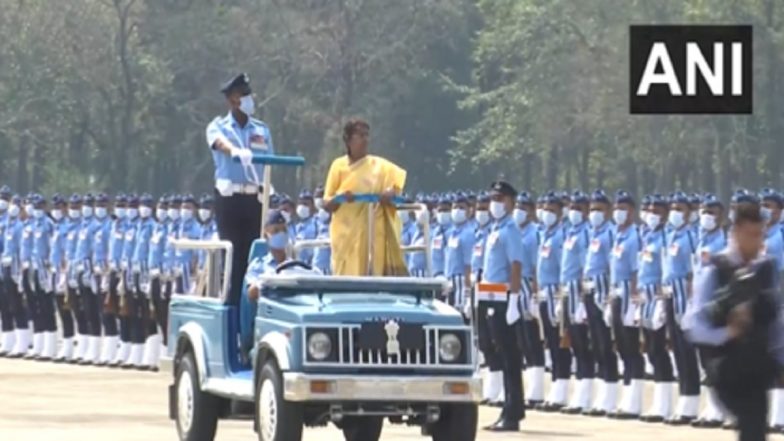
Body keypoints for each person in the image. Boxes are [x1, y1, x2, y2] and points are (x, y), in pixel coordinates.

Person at [685, 203, 784, 441]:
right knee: (751, 425)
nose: (758, 241)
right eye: (752, 235)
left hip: (757, 366)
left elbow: (776, 322)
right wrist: (728, 332)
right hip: (726, 367)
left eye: (760, 234)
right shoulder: (715, 269)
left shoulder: (766, 268)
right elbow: (694, 324)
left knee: (755, 430)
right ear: (736, 231)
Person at [206, 72, 274, 306]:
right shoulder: (219, 127)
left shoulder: (261, 130)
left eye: (248, 94)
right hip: (230, 200)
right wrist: (234, 151)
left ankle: (251, 314)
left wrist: (269, 183)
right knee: (234, 261)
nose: (248, 99)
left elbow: (270, 161)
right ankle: (233, 313)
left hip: (255, 199)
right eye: (242, 95)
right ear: (232, 100)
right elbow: (218, 143)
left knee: (256, 258)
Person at [323, 118, 407, 276]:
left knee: (375, 276)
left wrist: (391, 192)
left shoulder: (379, 165)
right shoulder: (338, 166)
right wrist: (341, 197)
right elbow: (327, 203)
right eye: (360, 135)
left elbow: (396, 186)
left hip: (374, 233)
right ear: (348, 139)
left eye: (367, 135)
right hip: (346, 235)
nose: (365, 140)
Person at [481, 181, 525, 432]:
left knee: (510, 357)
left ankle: (512, 413)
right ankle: (510, 409)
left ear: (510, 202)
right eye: (492, 198)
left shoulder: (510, 230)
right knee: (502, 353)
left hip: (505, 298)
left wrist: (514, 300)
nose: (495, 203)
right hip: (492, 296)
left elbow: (516, 266)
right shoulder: (496, 228)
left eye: (500, 198)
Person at [637, 194, 676, 423]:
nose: (652, 215)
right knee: (651, 348)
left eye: (657, 211)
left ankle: (666, 403)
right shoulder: (647, 235)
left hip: (661, 296)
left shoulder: (666, 236)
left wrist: (662, 299)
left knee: (660, 349)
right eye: (650, 210)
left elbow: (669, 268)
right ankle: (660, 401)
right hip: (645, 296)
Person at [663, 192, 700, 423]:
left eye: (681, 209)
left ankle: (692, 400)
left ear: (689, 213)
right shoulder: (670, 235)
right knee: (677, 349)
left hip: (685, 296)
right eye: (673, 208)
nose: (676, 213)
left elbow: (694, 271)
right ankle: (684, 398)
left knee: (689, 352)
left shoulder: (691, 236)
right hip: (669, 294)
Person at [608, 190, 644, 419]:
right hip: (615, 293)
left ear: (632, 212)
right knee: (621, 345)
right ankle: (628, 393)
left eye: (625, 209)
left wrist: (634, 301)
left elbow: (636, 270)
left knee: (632, 347)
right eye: (617, 208)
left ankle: (635, 399)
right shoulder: (617, 236)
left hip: (628, 295)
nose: (620, 212)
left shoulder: (635, 236)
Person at [581, 189, 617, 416]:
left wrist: (609, 299)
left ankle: (610, 393)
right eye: (592, 209)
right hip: (589, 291)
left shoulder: (611, 233)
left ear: (608, 211)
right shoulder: (591, 233)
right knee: (595, 344)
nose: (595, 213)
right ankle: (602, 394)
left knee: (606, 345)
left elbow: (614, 266)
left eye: (599, 209)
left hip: (604, 293)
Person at [534, 191, 570, 412]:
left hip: (558, 293)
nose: (547, 214)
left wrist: (561, 295)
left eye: (552, 210)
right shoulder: (545, 234)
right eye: (545, 209)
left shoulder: (562, 235)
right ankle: (555, 387)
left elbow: (564, 266)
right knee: (550, 341)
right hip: (544, 293)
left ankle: (562, 389)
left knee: (561, 344)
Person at [560, 190, 594, 415]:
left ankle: (587, 393)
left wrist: (582, 299)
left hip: (580, 292)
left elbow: (586, 267)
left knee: (585, 345)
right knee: (573, 344)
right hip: (566, 290)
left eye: (578, 208)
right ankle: (580, 391)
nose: (573, 212)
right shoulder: (570, 232)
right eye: (571, 207)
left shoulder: (586, 234)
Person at [240, 209, 290, 353]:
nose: (281, 235)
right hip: (265, 329)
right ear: (266, 235)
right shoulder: (259, 265)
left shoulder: (295, 265)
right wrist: (269, 280)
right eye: (275, 231)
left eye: (284, 230)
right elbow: (251, 292)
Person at [513, 192, 545, 407]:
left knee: (532, 339)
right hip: (515, 286)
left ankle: (537, 390)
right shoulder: (515, 231)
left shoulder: (535, 233)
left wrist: (535, 293)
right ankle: (528, 388)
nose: (519, 211)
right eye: (518, 206)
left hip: (528, 286)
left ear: (531, 211)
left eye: (524, 207)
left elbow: (536, 265)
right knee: (521, 340)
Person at [444, 193, 474, 310]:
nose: (458, 210)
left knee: (459, 315)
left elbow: (469, 264)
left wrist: (467, 293)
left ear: (469, 211)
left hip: (461, 281)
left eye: (461, 208)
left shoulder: (468, 233)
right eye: (455, 207)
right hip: (451, 280)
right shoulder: (451, 232)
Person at [294, 190, 317, 265]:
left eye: (305, 204)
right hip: (297, 265)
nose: (302, 207)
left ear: (313, 206)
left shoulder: (317, 224)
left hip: (311, 266)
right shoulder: (297, 227)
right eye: (300, 204)